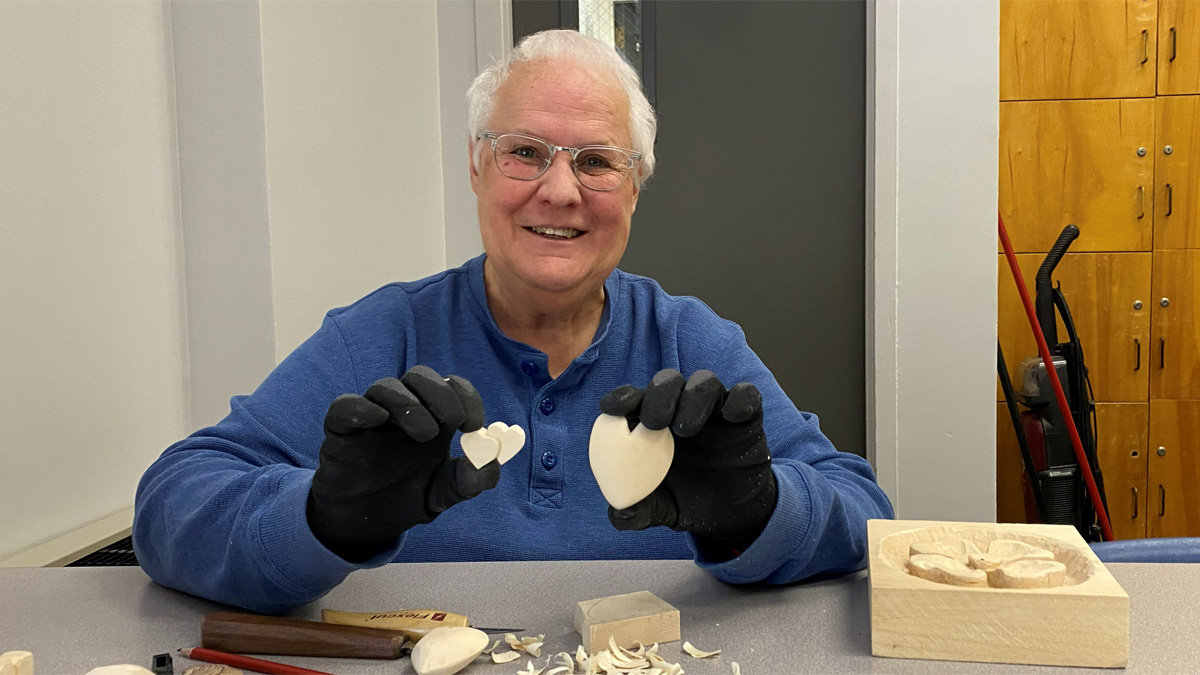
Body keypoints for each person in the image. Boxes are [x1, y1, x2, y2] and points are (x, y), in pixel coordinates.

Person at [132, 29, 894, 615]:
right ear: (475, 167)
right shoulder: (382, 337)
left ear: (636, 187)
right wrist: (323, 519)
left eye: (596, 161)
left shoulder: (691, 342)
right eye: (524, 151)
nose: (560, 190)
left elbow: (864, 513)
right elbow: (172, 503)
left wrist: (760, 511)